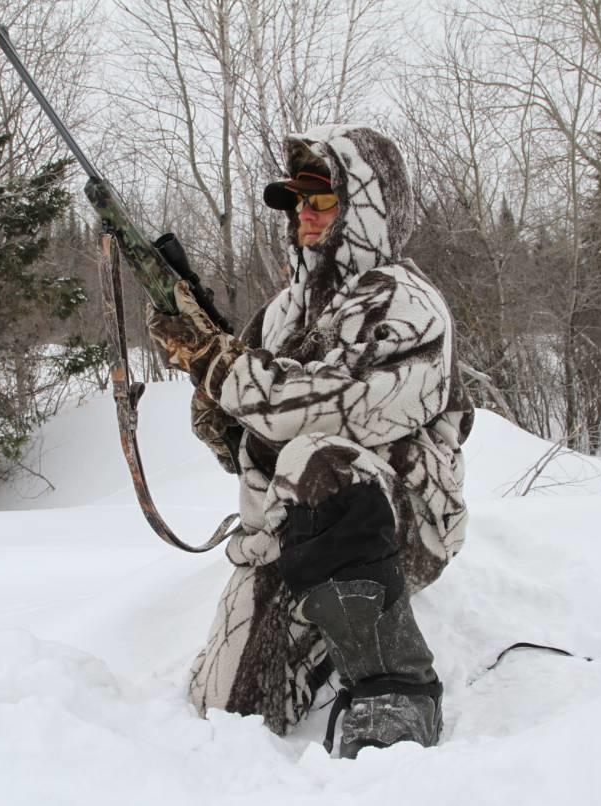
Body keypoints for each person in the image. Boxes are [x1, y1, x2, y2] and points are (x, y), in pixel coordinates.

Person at [147, 124, 473, 758]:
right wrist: (214, 401)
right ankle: (324, 622)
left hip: (403, 524)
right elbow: (246, 436)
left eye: (321, 201)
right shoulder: (282, 311)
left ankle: (394, 683)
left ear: (364, 207)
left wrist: (221, 367)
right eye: (298, 202)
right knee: (225, 708)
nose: (304, 215)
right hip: (291, 532)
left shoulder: (406, 303)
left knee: (318, 458)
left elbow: (327, 411)